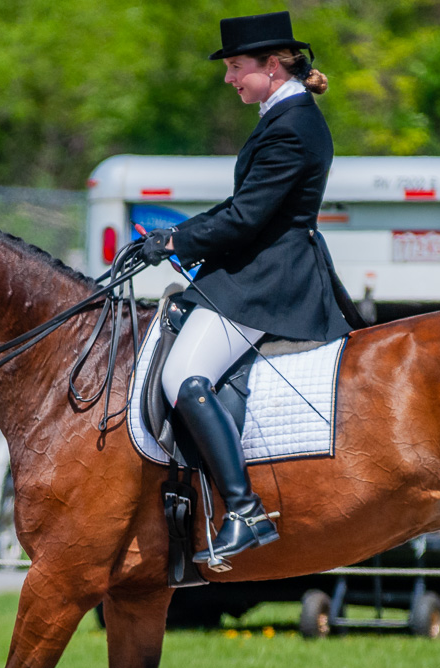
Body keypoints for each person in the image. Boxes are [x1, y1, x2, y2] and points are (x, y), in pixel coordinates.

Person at [139, 10, 356, 570]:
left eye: (237, 68)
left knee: (184, 379)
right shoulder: (282, 117)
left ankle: (244, 509)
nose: (230, 78)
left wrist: (176, 241)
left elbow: (248, 218)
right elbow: (240, 209)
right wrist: (175, 235)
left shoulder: (293, 126)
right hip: (258, 267)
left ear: (273, 65)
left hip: (270, 279)